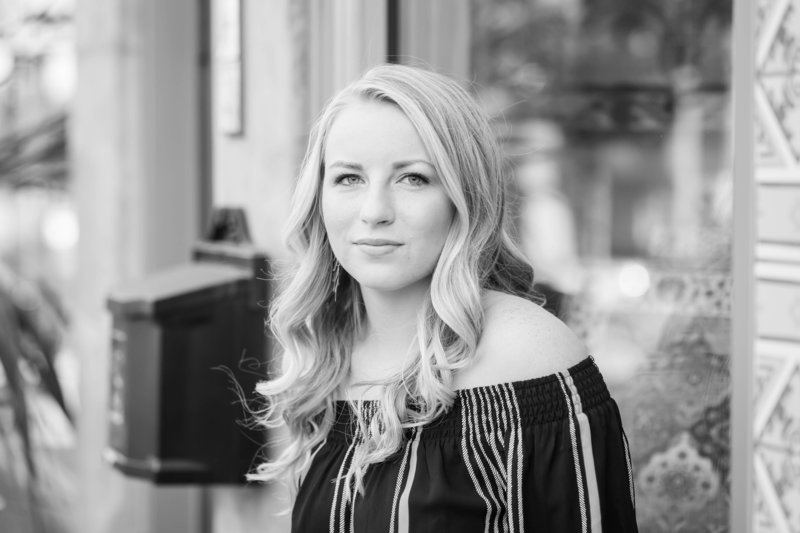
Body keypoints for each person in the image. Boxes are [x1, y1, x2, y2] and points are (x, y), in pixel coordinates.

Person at [250, 64, 638, 532]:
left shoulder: (529, 356)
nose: (374, 211)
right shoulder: (329, 355)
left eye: (413, 178)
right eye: (349, 178)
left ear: (463, 197)